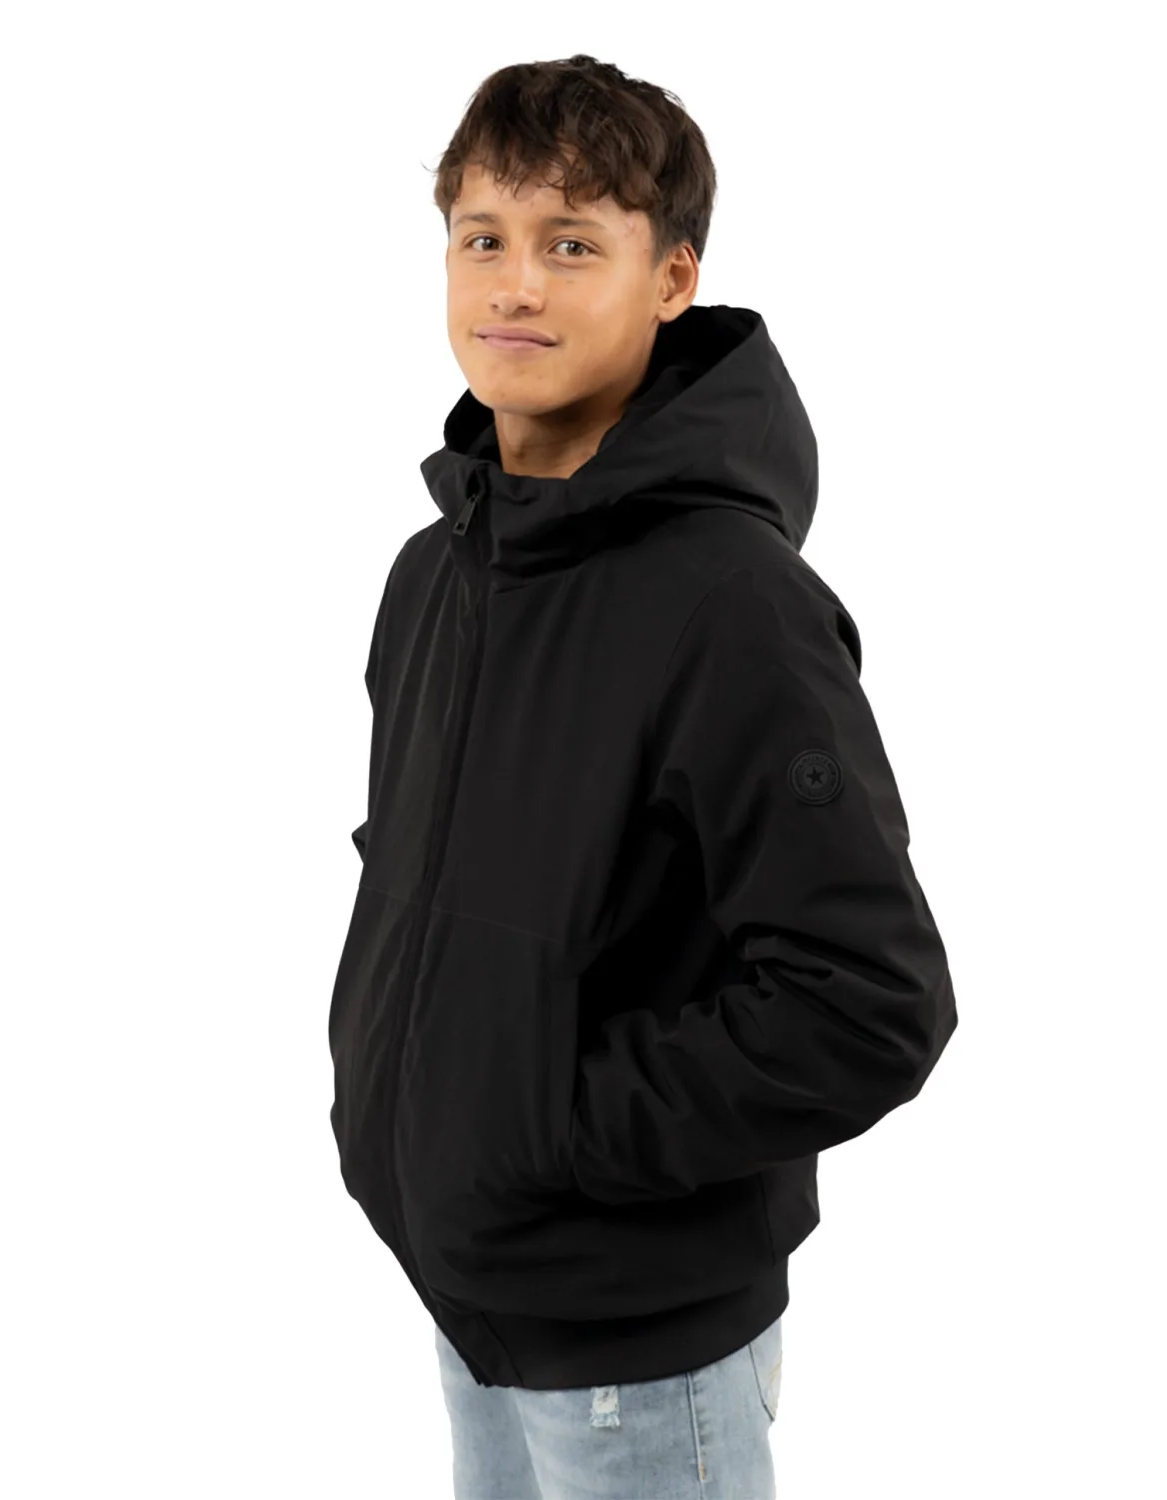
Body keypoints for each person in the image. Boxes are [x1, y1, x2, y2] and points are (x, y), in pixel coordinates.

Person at [327, 52, 958, 1499]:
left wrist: (546, 1130)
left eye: (571, 245)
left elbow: (869, 1002)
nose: (514, 287)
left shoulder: (733, 603)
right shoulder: (437, 575)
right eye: (482, 238)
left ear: (673, 278)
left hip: (637, 1353)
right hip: (469, 1292)